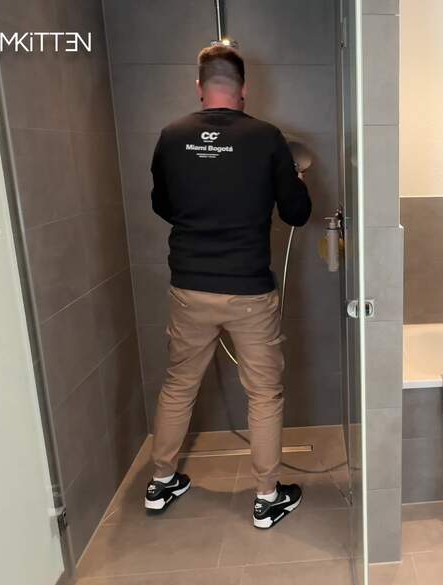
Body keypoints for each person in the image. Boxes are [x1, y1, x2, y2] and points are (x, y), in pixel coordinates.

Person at [145, 44, 312, 529]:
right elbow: (297, 214)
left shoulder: (172, 135)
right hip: (248, 290)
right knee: (264, 394)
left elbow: (162, 204)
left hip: (190, 286)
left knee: (178, 385)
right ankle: (266, 497)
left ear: (200, 87)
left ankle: (161, 482)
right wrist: (295, 179)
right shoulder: (265, 137)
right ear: (244, 90)